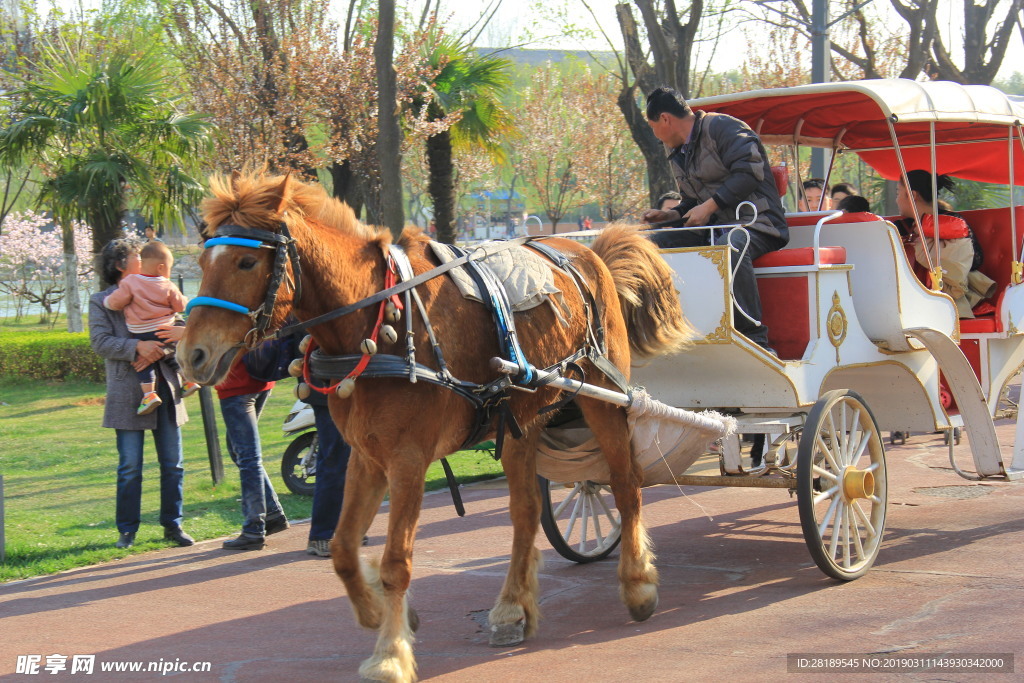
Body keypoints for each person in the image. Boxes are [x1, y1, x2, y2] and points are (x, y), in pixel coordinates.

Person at [641, 86, 789, 351]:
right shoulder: (676, 151)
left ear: (665, 119)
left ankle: (754, 339)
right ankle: (664, 330)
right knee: (650, 246)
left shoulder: (724, 127)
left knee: (727, 246)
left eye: (652, 127)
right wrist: (671, 214)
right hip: (713, 227)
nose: (655, 135)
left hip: (757, 223)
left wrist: (709, 207)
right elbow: (691, 202)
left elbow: (748, 173)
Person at [89, 238, 194, 550]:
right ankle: (127, 530)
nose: (145, 259)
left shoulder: (162, 287)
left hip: (167, 387)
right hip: (128, 392)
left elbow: (179, 324)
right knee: (130, 466)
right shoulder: (102, 301)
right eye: (138, 256)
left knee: (173, 463)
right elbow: (100, 342)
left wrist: (164, 344)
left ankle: (173, 524)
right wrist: (137, 346)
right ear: (122, 265)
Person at [103, 241, 198, 415]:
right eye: (136, 257)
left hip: (141, 331)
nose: (139, 262)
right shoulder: (168, 284)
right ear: (162, 268)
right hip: (163, 328)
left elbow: (115, 302)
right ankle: (188, 380)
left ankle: (149, 394)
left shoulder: (131, 282)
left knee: (142, 365)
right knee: (175, 354)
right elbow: (180, 307)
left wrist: (108, 302)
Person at [896, 169, 994, 318]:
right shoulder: (899, 227)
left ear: (912, 195)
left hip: (948, 295)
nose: (896, 200)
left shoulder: (952, 222)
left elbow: (975, 260)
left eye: (898, 192)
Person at [215, 356, 289, 550]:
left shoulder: (212, 323)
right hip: (259, 376)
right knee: (237, 449)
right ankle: (272, 514)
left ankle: (253, 529)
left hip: (236, 383)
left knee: (248, 457)